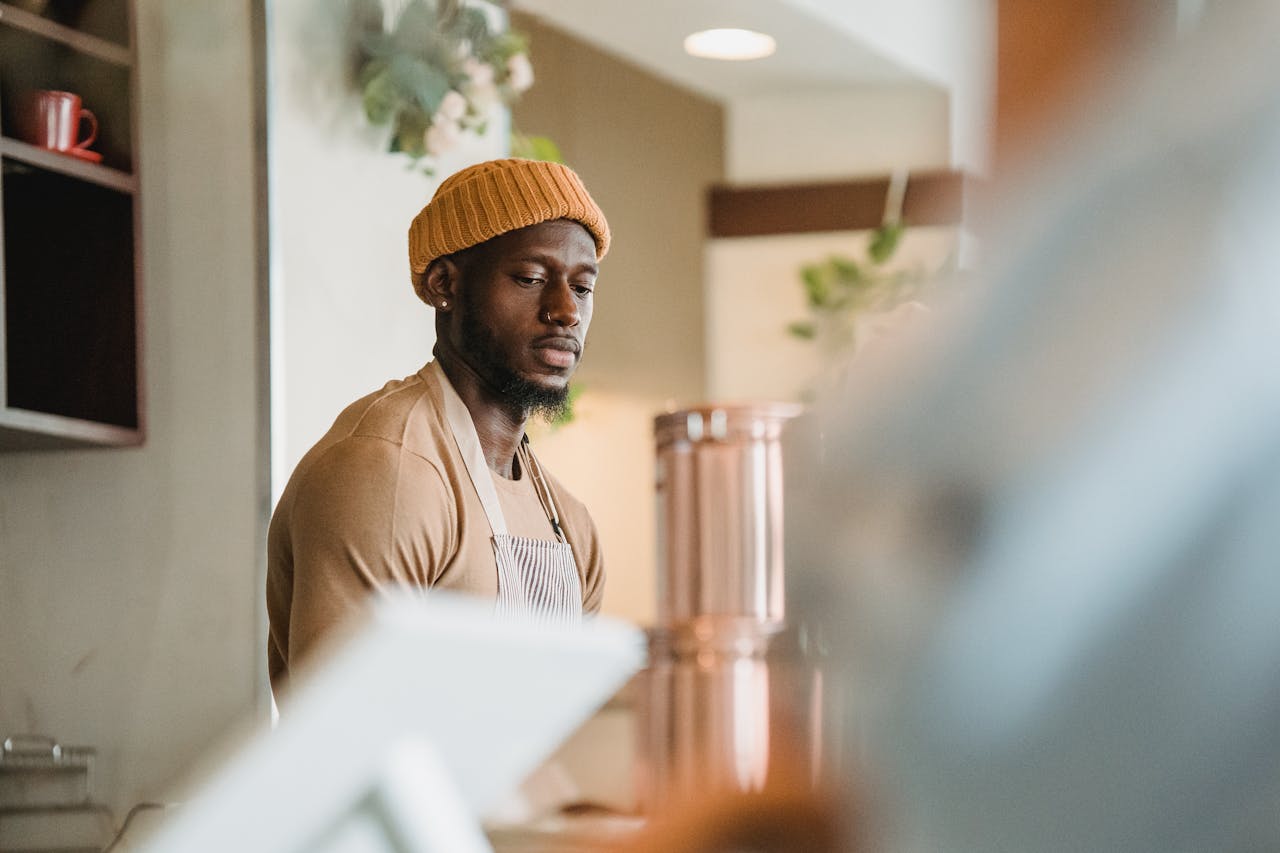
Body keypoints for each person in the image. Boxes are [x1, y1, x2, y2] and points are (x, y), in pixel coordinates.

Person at [266, 158, 611, 695]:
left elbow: (559, 733)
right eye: (531, 278)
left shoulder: (569, 522)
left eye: (583, 288)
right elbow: (343, 742)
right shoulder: (385, 469)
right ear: (443, 285)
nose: (565, 310)